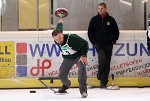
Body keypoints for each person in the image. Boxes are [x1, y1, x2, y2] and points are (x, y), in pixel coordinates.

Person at [52, 19, 89, 98]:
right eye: (56, 40)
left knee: (82, 70)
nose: (59, 41)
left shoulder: (72, 37)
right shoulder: (57, 37)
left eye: (60, 38)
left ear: (62, 34)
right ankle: (66, 85)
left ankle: (83, 91)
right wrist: (60, 22)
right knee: (61, 76)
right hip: (67, 59)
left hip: (78, 57)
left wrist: (83, 55)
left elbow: (85, 43)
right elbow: (59, 27)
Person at [88, 3, 119, 88]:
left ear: (105, 9)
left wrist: (113, 40)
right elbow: (90, 32)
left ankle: (103, 82)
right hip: (98, 44)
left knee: (107, 62)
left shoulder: (111, 20)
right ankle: (100, 74)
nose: (100, 10)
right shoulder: (94, 20)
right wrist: (94, 42)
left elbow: (116, 31)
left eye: (102, 8)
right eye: (99, 8)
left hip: (108, 44)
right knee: (102, 59)